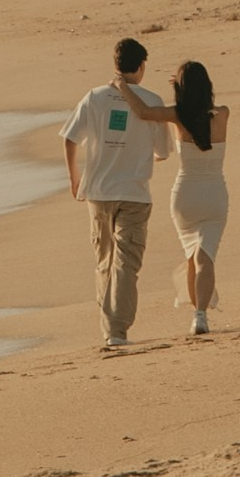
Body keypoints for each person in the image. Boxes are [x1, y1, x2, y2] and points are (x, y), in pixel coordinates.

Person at [61, 37, 171, 349]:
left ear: (115, 65)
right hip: (134, 192)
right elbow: (163, 153)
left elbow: (69, 139)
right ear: (141, 67)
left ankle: (111, 327)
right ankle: (117, 329)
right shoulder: (151, 99)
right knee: (126, 263)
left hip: (97, 192)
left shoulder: (94, 97)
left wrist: (74, 178)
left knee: (104, 260)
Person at [113, 59, 230, 337]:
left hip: (185, 196)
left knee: (193, 257)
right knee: (206, 257)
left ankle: (198, 314)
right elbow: (205, 111)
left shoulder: (177, 114)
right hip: (215, 194)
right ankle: (200, 316)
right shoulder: (223, 113)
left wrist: (121, 86)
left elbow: (142, 112)